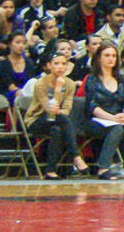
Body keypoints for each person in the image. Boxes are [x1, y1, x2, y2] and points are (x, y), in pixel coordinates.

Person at [83, 41, 124, 181]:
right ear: (99, 58)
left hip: (118, 119)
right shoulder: (92, 79)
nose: (111, 58)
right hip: (97, 120)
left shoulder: (120, 79)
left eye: (113, 56)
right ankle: (103, 168)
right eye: (107, 55)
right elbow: (92, 106)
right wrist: (112, 118)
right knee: (116, 128)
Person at [22, 50, 85, 178]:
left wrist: (59, 112)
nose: (60, 67)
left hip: (58, 120)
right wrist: (58, 88)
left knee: (57, 129)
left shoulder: (70, 83)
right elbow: (49, 108)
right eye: (56, 63)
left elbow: (67, 108)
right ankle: (76, 156)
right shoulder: (40, 83)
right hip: (37, 119)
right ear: (49, 65)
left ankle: (50, 170)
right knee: (61, 119)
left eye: (63, 63)